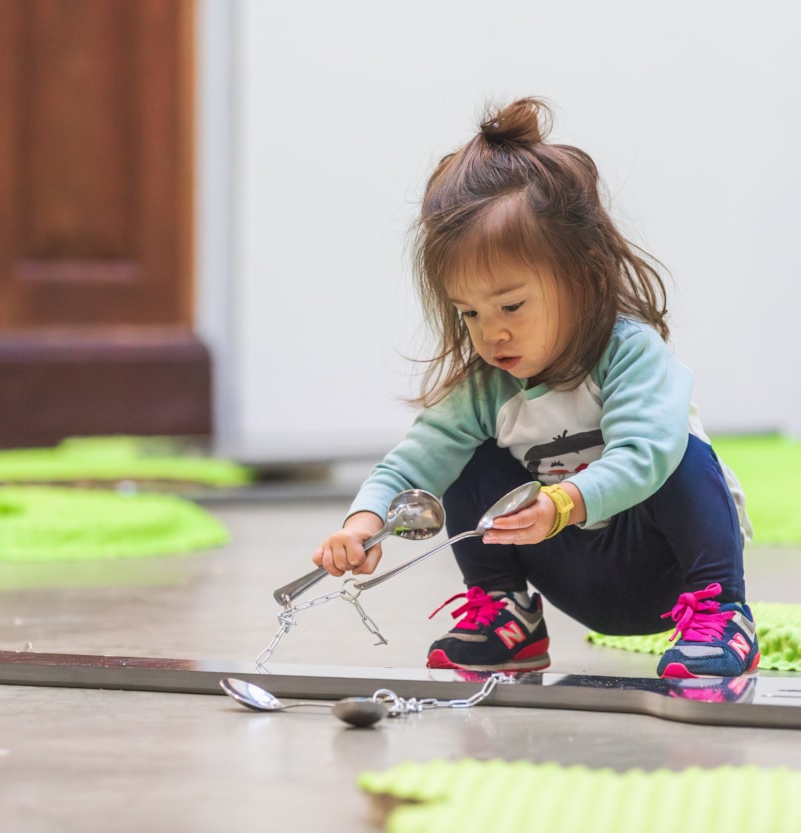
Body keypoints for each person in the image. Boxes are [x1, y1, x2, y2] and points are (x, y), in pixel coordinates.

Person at [311, 97, 758, 679]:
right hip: (573, 569)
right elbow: (410, 468)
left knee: (680, 453)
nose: (490, 332)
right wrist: (363, 524)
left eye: (512, 305)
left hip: (666, 569)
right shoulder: (487, 388)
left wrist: (563, 503)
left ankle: (725, 613)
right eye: (468, 313)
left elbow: (643, 456)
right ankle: (508, 616)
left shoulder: (629, 353)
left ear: (584, 275)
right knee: (463, 456)